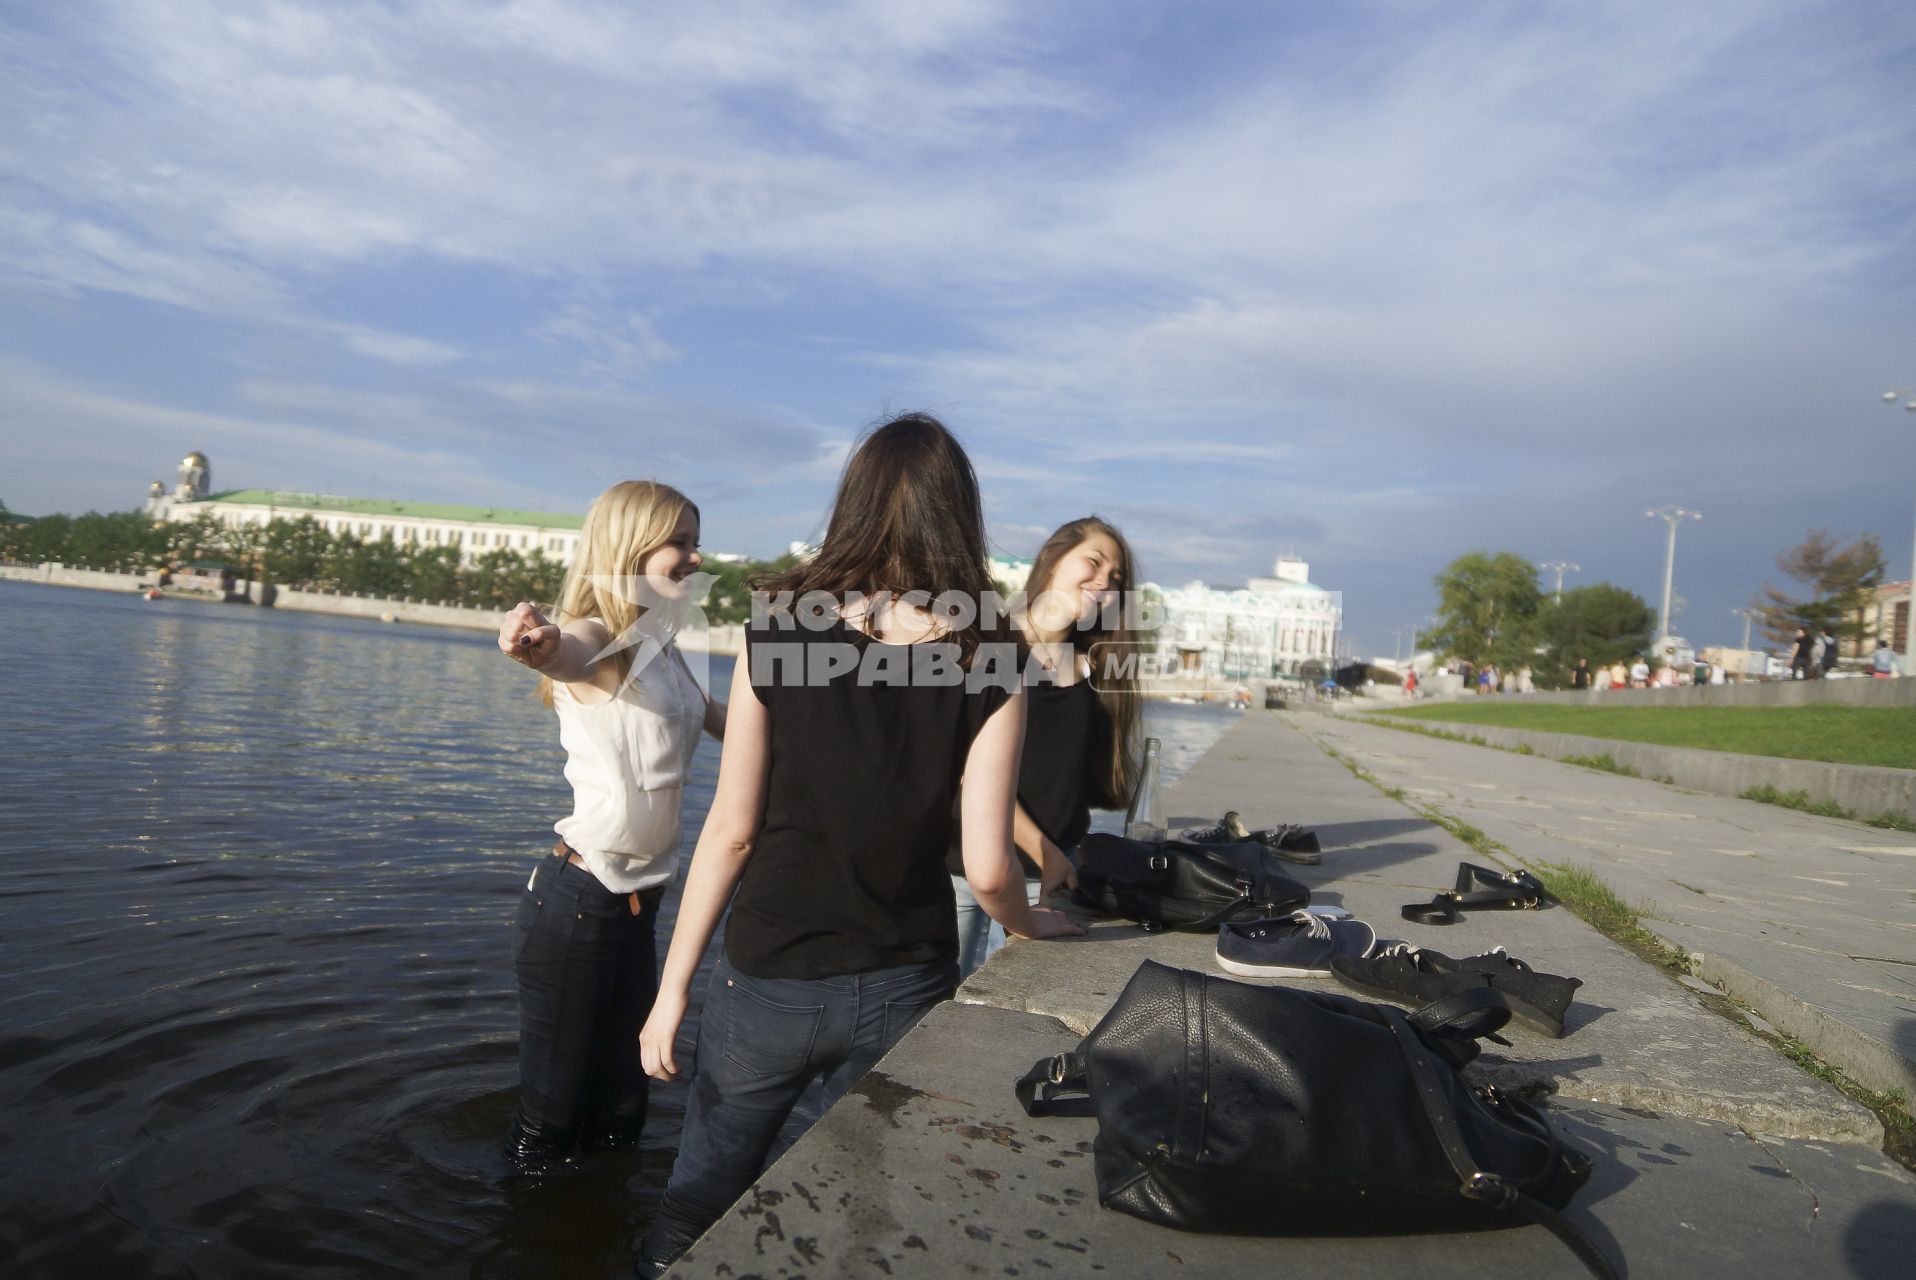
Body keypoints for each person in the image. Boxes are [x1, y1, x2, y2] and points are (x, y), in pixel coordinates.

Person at [633, 414, 1083, 1276]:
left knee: (700, 1199)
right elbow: (988, 866)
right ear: (960, 512)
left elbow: (730, 831)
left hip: (770, 972)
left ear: (855, 501)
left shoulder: (779, 625)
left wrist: (672, 988)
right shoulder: (989, 648)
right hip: (904, 975)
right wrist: (1031, 927)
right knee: (866, 1199)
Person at [493, 480, 725, 1176]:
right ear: (630, 547)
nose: (694, 556)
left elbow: (732, 726)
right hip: (576, 906)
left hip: (634, 911)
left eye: (695, 540)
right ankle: (521, 1239)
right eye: (678, 542)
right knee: (548, 1125)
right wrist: (534, 645)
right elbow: (565, 652)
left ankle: (597, 1234)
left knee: (625, 1112)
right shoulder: (598, 640)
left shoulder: (660, 643)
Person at [947, 517, 1145, 977]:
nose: (1104, 582)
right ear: (1054, 559)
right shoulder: (989, 645)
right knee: (934, 1015)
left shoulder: (1096, 667)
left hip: (1051, 879)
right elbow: (964, 771)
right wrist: (1045, 850)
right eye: (1093, 563)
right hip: (959, 870)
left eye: (1116, 579)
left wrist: (1061, 857)